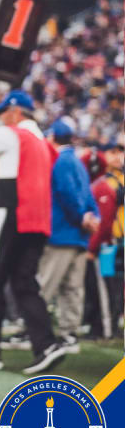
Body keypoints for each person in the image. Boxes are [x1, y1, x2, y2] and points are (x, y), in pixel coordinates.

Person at [0, 89, 64, 374]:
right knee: (24, 283)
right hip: (36, 220)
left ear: (15, 112)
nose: (0, 119)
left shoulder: (14, 134)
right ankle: (46, 345)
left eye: (2, 112)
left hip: (10, 214)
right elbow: (20, 177)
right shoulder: (42, 141)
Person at [35, 120, 99, 351]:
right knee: (72, 288)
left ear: (52, 137)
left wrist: (81, 216)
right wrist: (93, 218)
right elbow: (88, 194)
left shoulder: (60, 160)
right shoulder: (77, 161)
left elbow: (65, 192)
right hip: (80, 235)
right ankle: (69, 334)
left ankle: (36, 333)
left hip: (62, 232)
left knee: (45, 287)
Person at [88, 137, 124, 340]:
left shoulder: (117, 180)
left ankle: (111, 326)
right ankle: (105, 326)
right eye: (112, 152)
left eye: (119, 152)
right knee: (106, 286)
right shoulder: (102, 182)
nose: (117, 156)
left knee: (115, 286)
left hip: (118, 242)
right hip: (109, 243)